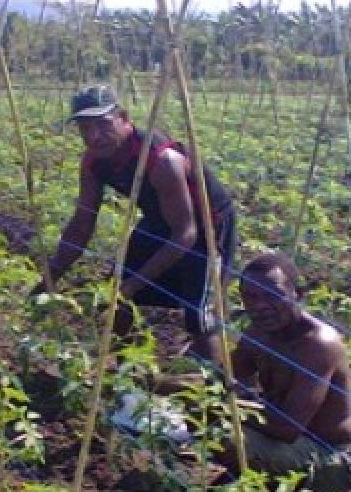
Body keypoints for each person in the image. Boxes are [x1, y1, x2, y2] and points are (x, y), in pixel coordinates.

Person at [37, 85, 237, 363]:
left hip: (205, 225)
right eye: (85, 128)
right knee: (114, 298)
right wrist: (50, 277)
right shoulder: (94, 163)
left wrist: (131, 285)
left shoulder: (161, 159)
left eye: (102, 125)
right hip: (158, 221)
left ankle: (221, 386)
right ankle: (126, 368)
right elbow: (82, 224)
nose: (94, 136)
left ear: (124, 118)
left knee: (199, 314)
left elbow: (185, 234)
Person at [221, 252, 351, 492]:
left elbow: (287, 428)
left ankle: (283, 491)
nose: (260, 306)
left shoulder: (318, 344)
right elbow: (231, 381)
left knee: (223, 434)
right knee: (206, 419)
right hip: (287, 441)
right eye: (251, 297)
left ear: (297, 294)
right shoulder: (257, 334)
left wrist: (226, 407)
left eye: (272, 295)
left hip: (330, 457)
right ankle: (260, 484)